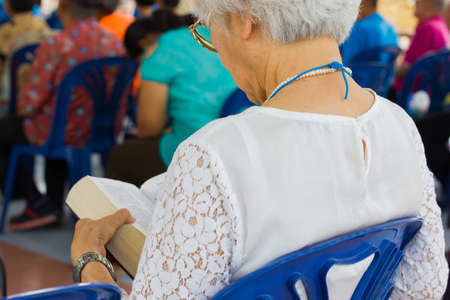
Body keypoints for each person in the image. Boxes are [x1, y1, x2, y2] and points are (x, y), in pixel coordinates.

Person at [71, 0, 448, 299]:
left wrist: (91, 266)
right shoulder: (399, 125)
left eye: (210, 35)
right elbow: (424, 287)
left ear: (243, 18)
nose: (218, 50)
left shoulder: (214, 154)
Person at [1, 0, 125, 231]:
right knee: (54, 118)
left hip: (60, 131)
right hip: (101, 130)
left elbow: (28, 105)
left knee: (11, 128)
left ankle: (37, 201)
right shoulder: (114, 42)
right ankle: (53, 204)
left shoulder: (58, 44)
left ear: (62, 7)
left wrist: (25, 77)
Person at [105, 8, 236, 186]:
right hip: (239, 149)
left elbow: (149, 128)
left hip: (195, 153)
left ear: (146, 40)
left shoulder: (163, 47)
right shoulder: (233, 38)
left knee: (120, 156)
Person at [393, 0, 450, 95]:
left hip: (412, 94)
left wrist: (390, 72)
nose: (415, 4)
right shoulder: (440, 26)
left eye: (417, 2)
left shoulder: (427, 28)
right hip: (431, 94)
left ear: (426, 3)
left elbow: (405, 69)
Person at [0, 0, 51, 100]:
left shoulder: (6, 31)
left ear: (7, 6)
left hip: (10, 89)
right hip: (39, 85)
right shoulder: (43, 25)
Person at [340, 0, 398, 65]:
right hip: (383, 75)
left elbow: (343, 63)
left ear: (366, 2)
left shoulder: (359, 28)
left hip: (354, 74)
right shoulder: (390, 28)